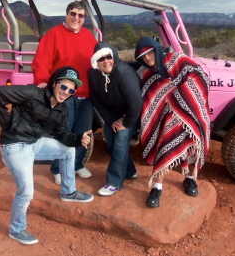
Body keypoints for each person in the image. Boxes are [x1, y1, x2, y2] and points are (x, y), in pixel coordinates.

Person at [0, 66, 94, 245]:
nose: (66, 92)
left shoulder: (62, 109)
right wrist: (7, 124)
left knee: (68, 151)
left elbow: (63, 135)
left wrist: (79, 139)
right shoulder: (33, 93)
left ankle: (68, 192)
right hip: (14, 145)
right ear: (55, 83)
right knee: (26, 191)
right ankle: (16, 229)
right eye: (63, 87)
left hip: (35, 143)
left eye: (71, 90)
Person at [134, 36, 211, 208]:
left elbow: (200, 78)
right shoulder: (148, 75)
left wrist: (178, 100)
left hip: (191, 113)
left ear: (157, 49)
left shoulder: (177, 59)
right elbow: (148, 102)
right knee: (164, 145)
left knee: (193, 144)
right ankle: (157, 187)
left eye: (150, 52)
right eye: (143, 56)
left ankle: (190, 178)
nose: (147, 58)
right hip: (165, 118)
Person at [32, 0, 98, 185]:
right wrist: (42, 82)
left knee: (84, 131)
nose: (76, 18)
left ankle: (76, 164)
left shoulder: (89, 37)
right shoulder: (54, 35)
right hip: (65, 93)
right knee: (63, 131)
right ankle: (58, 169)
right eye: (73, 14)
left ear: (84, 18)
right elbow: (42, 61)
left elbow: (96, 62)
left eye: (81, 15)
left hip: (86, 94)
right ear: (67, 14)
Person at [89, 42, 142, 196]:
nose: (106, 61)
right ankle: (130, 171)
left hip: (134, 114)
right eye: (101, 59)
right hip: (114, 115)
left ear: (114, 57)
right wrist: (111, 120)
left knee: (121, 138)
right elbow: (96, 99)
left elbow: (136, 102)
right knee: (110, 139)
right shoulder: (93, 74)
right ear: (96, 62)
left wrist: (125, 123)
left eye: (108, 57)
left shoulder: (124, 73)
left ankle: (114, 182)